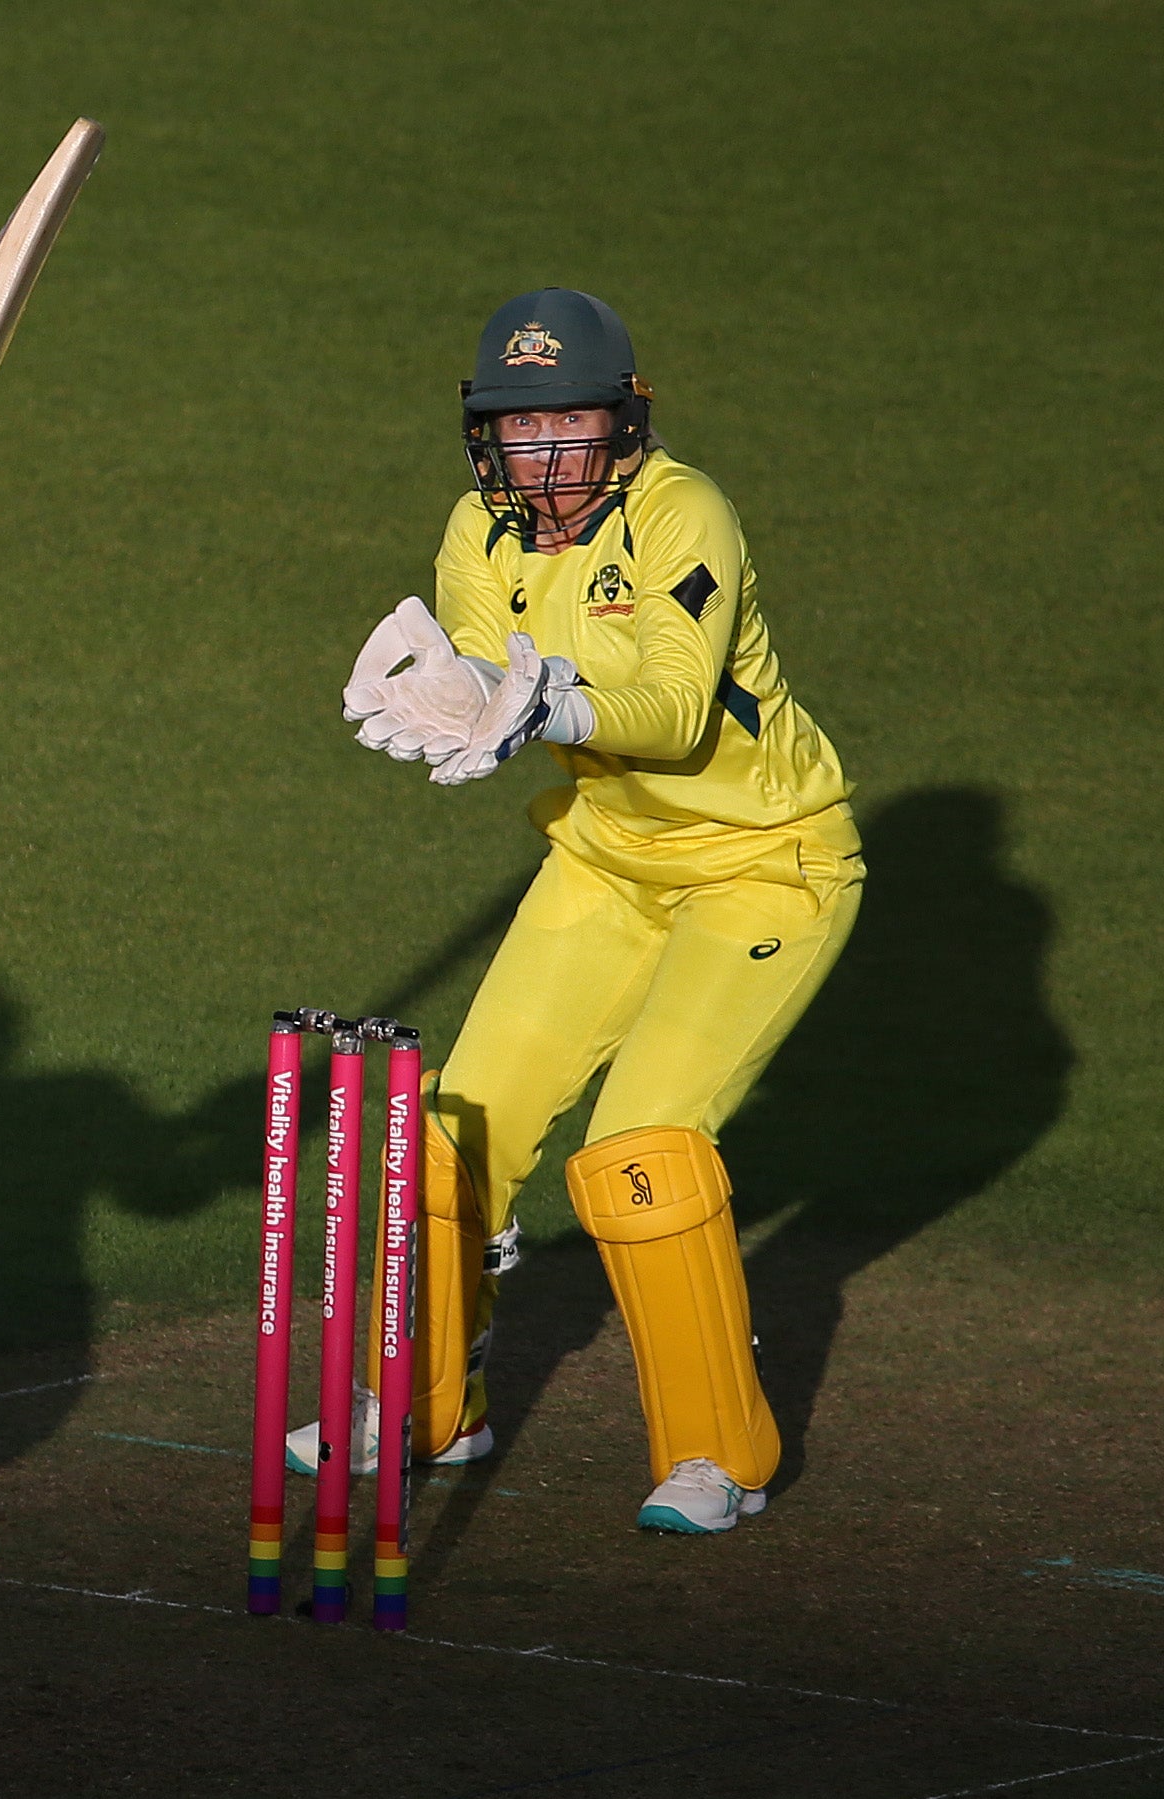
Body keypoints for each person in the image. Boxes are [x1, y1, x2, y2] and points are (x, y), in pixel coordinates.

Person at [333, 290, 864, 1534]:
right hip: (607, 862)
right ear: (487, 440)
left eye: (571, 420)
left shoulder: (687, 512)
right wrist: (457, 698)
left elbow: (675, 709)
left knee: (639, 1149)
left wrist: (548, 705)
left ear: (622, 421)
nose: (548, 454)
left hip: (764, 864)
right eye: (522, 429)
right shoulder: (481, 529)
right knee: (452, 1125)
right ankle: (416, 1406)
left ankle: (713, 1456)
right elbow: (479, 667)